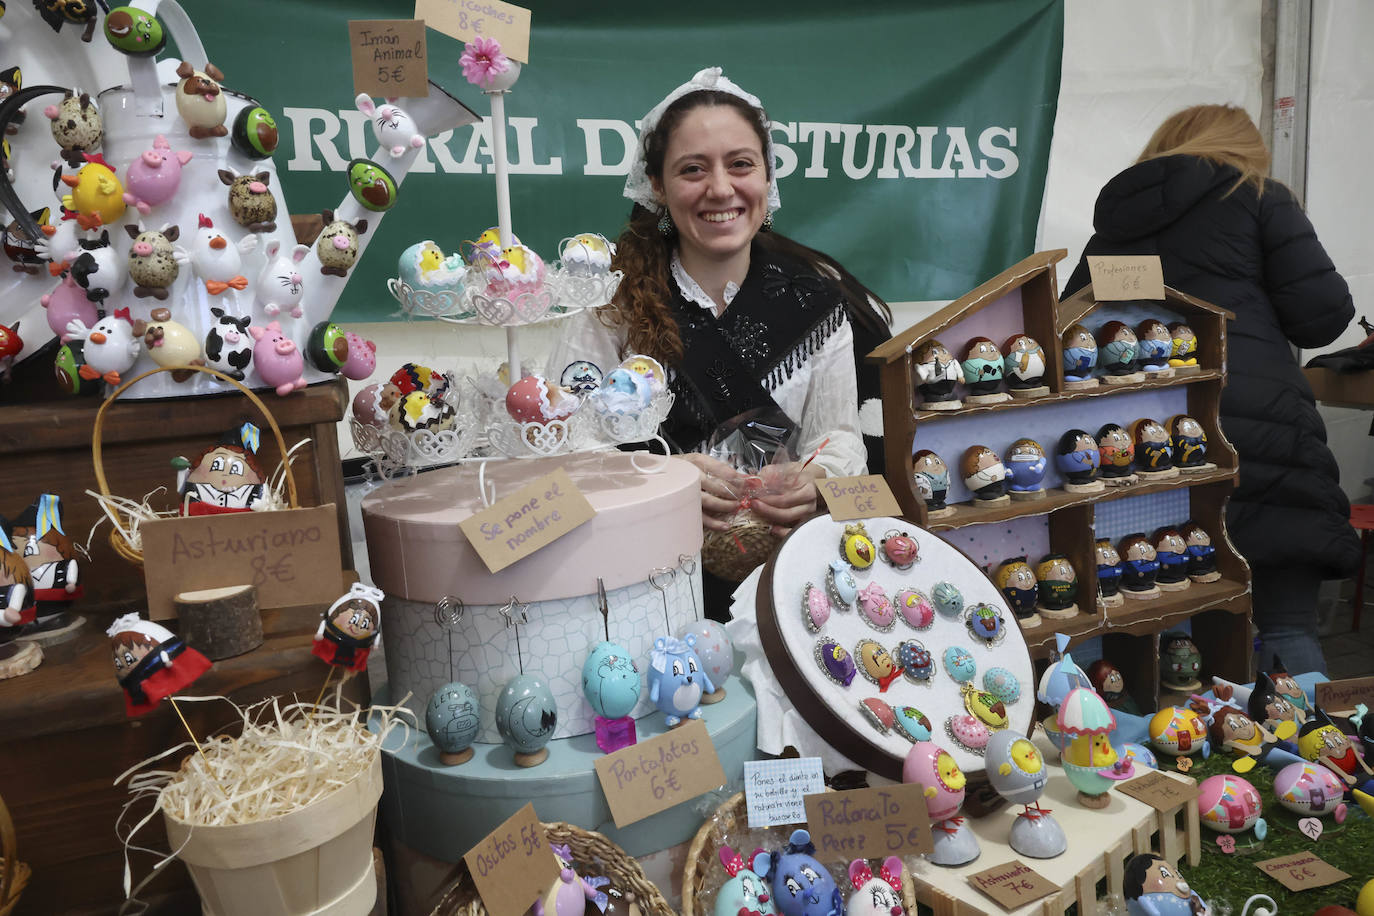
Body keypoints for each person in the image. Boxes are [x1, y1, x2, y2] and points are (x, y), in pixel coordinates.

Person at [1063, 104, 1358, 675]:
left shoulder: (1126, 213)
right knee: (1286, 621)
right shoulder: (1260, 195)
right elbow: (1323, 317)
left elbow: (1071, 320)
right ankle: (1318, 754)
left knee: (1157, 609)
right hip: (1262, 429)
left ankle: (1151, 747)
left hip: (1148, 434)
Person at [551, 67, 891, 546]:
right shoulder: (609, 309)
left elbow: (838, 439)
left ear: (767, 175)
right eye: (693, 168)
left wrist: (820, 483)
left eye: (740, 164)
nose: (720, 188)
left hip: (779, 572)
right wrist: (662, 476)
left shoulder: (817, 304)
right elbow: (568, 455)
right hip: (648, 570)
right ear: (657, 186)